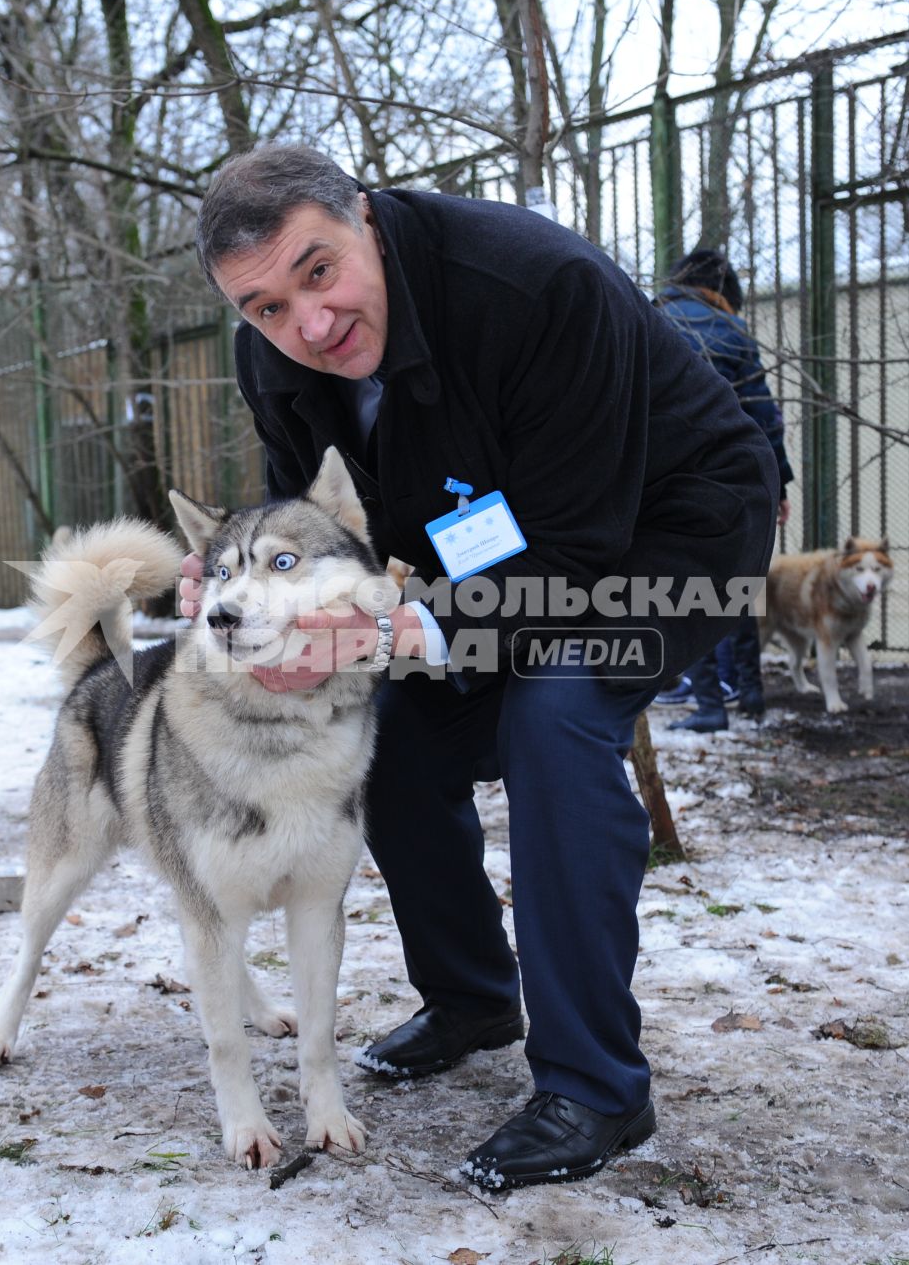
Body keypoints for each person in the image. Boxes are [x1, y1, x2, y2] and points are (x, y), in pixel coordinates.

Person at [181, 144, 777, 1190]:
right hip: (498, 549)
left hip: (668, 538)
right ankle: (470, 993)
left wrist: (410, 630)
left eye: (319, 271)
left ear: (363, 215)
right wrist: (262, 603)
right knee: (385, 727)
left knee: (554, 714)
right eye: (266, 307)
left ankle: (598, 1085)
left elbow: (576, 553)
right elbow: (320, 531)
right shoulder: (273, 356)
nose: (307, 326)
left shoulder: (532, 286)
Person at [652, 248, 795, 733]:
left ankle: (709, 702)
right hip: (732, 477)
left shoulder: (652, 321)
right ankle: (751, 694)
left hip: (670, 478)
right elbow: (763, 415)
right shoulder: (733, 332)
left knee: (687, 591)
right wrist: (778, 484)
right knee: (738, 582)